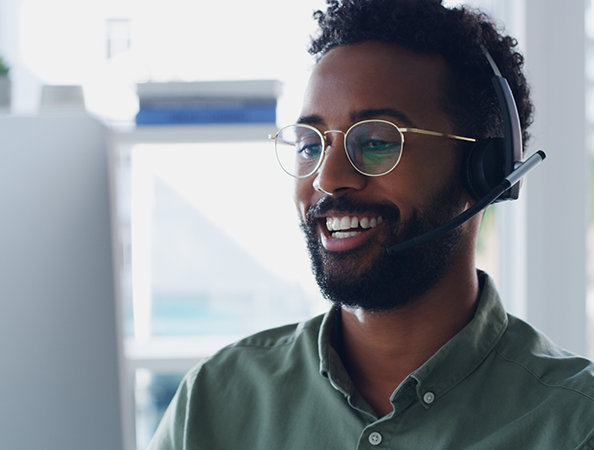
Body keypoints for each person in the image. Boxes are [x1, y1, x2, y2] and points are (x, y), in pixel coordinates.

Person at [147, 1, 594, 448]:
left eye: (378, 141)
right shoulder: (213, 401)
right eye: (310, 145)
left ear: (485, 171)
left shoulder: (574, 421)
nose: (327, 178)